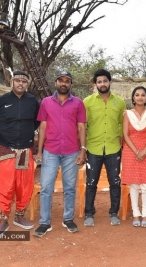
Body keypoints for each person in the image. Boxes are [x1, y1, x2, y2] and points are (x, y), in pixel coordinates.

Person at [33, 71, 86, 237]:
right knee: (46, 187)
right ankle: (44, 222)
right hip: (50, 151)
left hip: (72, 152)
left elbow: (81, 127)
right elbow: (42, 127)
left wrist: (83, 150)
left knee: (69, 188)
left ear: (71, 84)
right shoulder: (46, 102)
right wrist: (39, 151)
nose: (64, 83)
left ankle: (68, 218)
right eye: (61, 80)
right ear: (56, 82)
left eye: (67, 81)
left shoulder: (78, 103)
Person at [0, 70, 40, 233]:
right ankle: (3, 219)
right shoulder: (2, 101)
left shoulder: (33, 101)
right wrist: (9, 134)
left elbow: (36, 122)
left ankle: (19, 216)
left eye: (24, 81)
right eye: (17, 80)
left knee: (24, 185)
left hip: (26, 149)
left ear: (28, 84)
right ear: (11, 82)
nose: (20, 83)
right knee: (4, 185)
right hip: (5, 148)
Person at [83, 69, 126, 227]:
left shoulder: (119, 102)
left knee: (115, 182)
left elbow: (122, 125)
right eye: (99, 82)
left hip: (114, 148)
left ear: (110, 82)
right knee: (91, 182)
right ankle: (89, 213)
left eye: (105, 81)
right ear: (95, 84)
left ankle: (114, 213)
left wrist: (122, 145)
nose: (102, 84)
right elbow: (82, 125)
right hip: (93, 148)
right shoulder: (87, 102)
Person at [121, 86, 146, 228]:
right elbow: (125, 134)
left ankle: (145, 215)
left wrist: (144, 151)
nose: (140, 97)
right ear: (133, 98)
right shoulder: (127, 114)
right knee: (134, 184)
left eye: (143, 95)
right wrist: (137, 151)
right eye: (137, 95)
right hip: (131, 151)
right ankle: (136, 214)